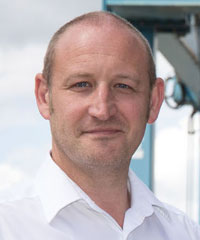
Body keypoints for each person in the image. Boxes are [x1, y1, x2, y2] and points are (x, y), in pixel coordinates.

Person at [0, 11, 199, 240]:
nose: (102, 110)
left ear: (154, 101)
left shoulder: (185, 233)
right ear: (44, 96)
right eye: (81, 84)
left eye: (123, 86)